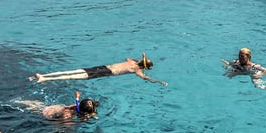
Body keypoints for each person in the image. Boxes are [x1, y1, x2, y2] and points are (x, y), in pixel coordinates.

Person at [30, 54, 167, 86]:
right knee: (73, 76)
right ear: (145, 66)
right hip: (105, 72)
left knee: (73, 72)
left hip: (104, 67)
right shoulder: (137, 69)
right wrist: (160, 82)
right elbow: (145, 78)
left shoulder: (132, 62)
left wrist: (142, 58)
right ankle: (44, 78)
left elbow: (128, 56)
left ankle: (43, 76)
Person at [15, 91, 99, 120]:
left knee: (34, 105)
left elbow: (78, 100)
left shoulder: (76, 106)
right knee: (35, 109)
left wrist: (77, 96)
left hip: (54, 107)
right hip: (47, 114)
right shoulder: (68, 115)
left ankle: (17, 101)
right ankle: (16, 102)